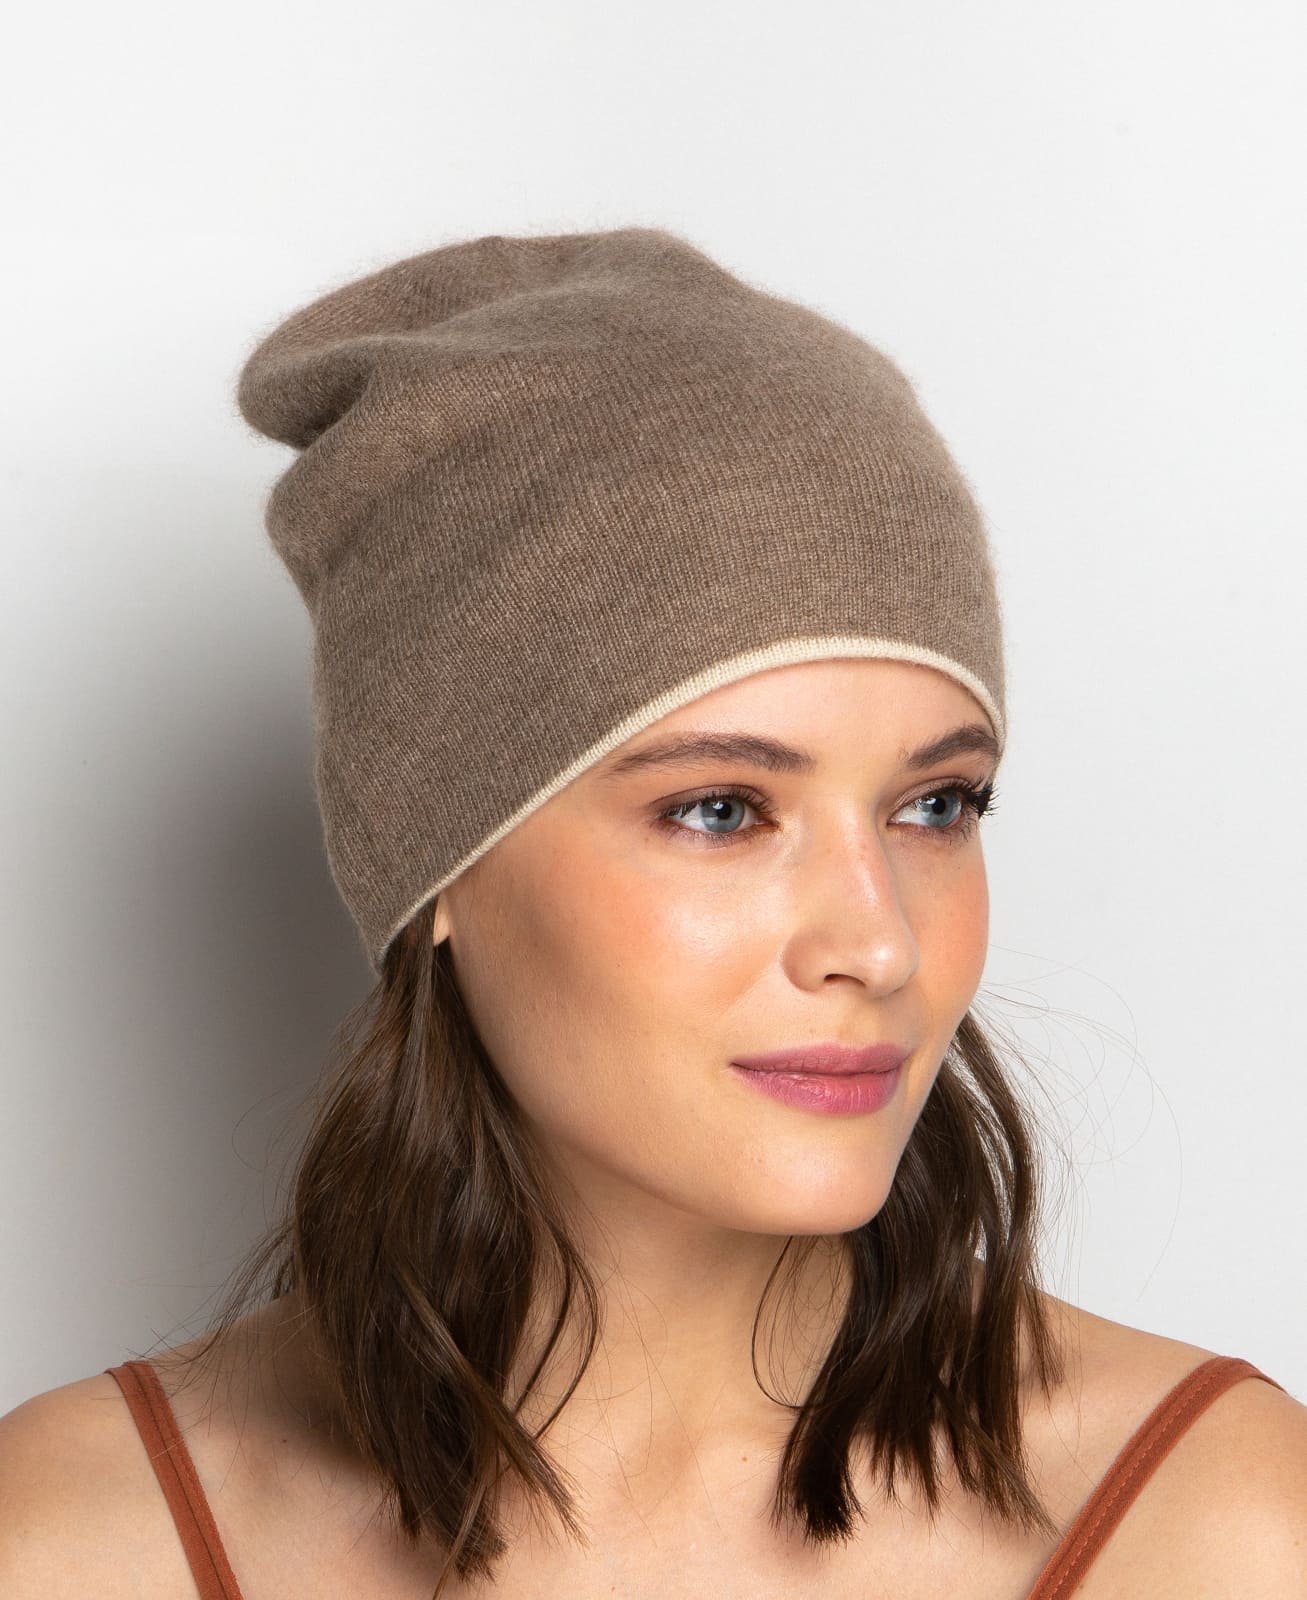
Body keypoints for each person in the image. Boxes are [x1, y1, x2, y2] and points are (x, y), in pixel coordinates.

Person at [1, 226, 1303, 1599]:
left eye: (937, 805)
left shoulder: (1213, 1526)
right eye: (723, 810)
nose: (878, 944)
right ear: (437, 862)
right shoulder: (79, 1541)